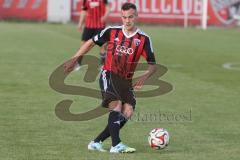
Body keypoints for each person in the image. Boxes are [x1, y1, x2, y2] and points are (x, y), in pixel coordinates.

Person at [64, 2, 157, 153]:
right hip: (109, 74)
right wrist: (74, 59)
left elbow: (153, 64)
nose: (127, 20)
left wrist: (145, 76)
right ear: (121, 17)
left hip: (126, 81)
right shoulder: (111, 31)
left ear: (136, 16)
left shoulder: (144, 39)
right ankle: (116, 145)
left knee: (128, 111)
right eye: (124, 17)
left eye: (131, 17)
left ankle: (96, 142)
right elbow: (90, 43)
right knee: (117, 106)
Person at [77, 0, 110, 66]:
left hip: (100, 26)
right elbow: (84, 11)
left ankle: (103, 65)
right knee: (83, 45)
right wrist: (80, 24)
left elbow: (108, 8)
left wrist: (105, 16)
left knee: (102, 46)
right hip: (88, 26)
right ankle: (78, 63)